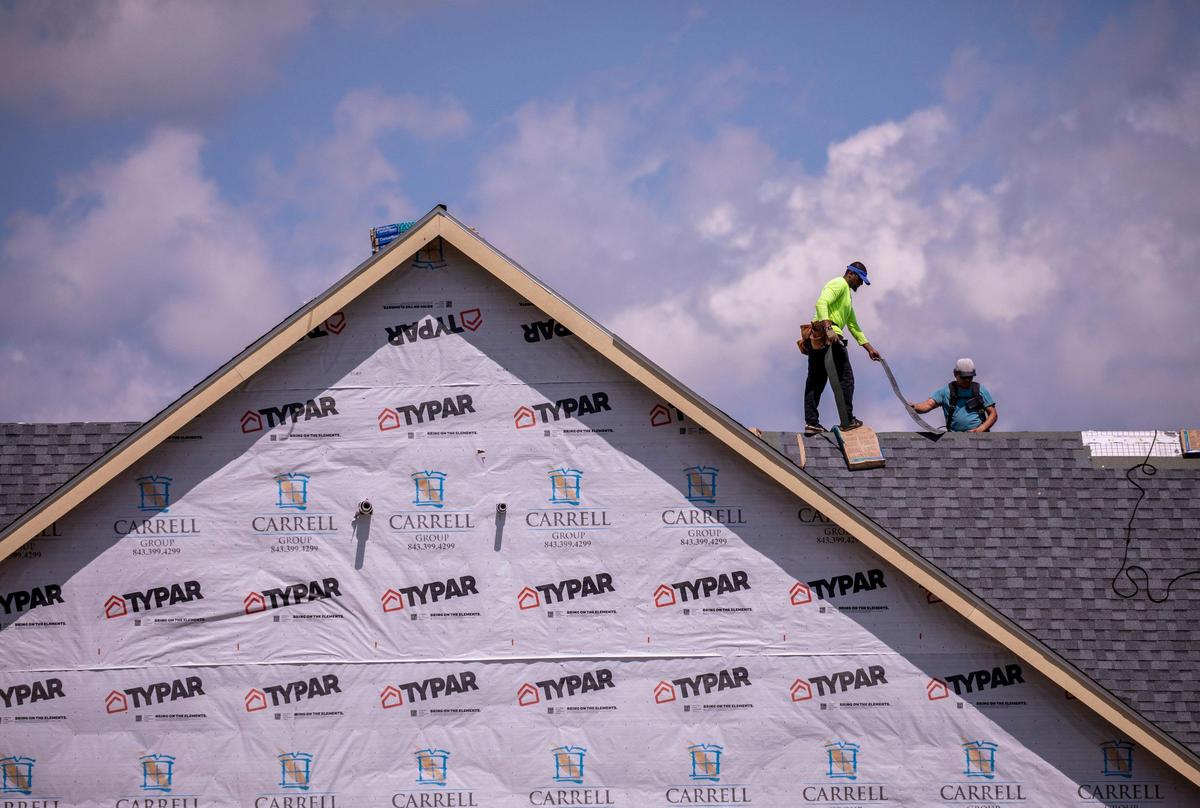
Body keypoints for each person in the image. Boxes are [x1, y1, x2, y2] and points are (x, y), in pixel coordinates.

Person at [803, 261, 881, 436]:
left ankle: (811, 423)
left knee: (816, 381)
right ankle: (847, 420)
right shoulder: (839, 284)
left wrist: (869, 348)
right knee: (846, 379)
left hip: (819, 339)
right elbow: (821, 303)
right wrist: (829, 329)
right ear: (850, 274)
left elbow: (853, 325)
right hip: (829, 337)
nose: (860, 284)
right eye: (859, 279)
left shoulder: (847, 297)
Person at [909, 358, 998, 433]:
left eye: (970, 377)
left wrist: (981, 429)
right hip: (955, 439)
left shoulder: (979, 390)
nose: (967, 380)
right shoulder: (945, 392)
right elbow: (928, 405)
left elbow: (993, 414)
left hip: (979, 437)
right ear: (955, 374)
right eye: (964, 377)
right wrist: (914, 407)